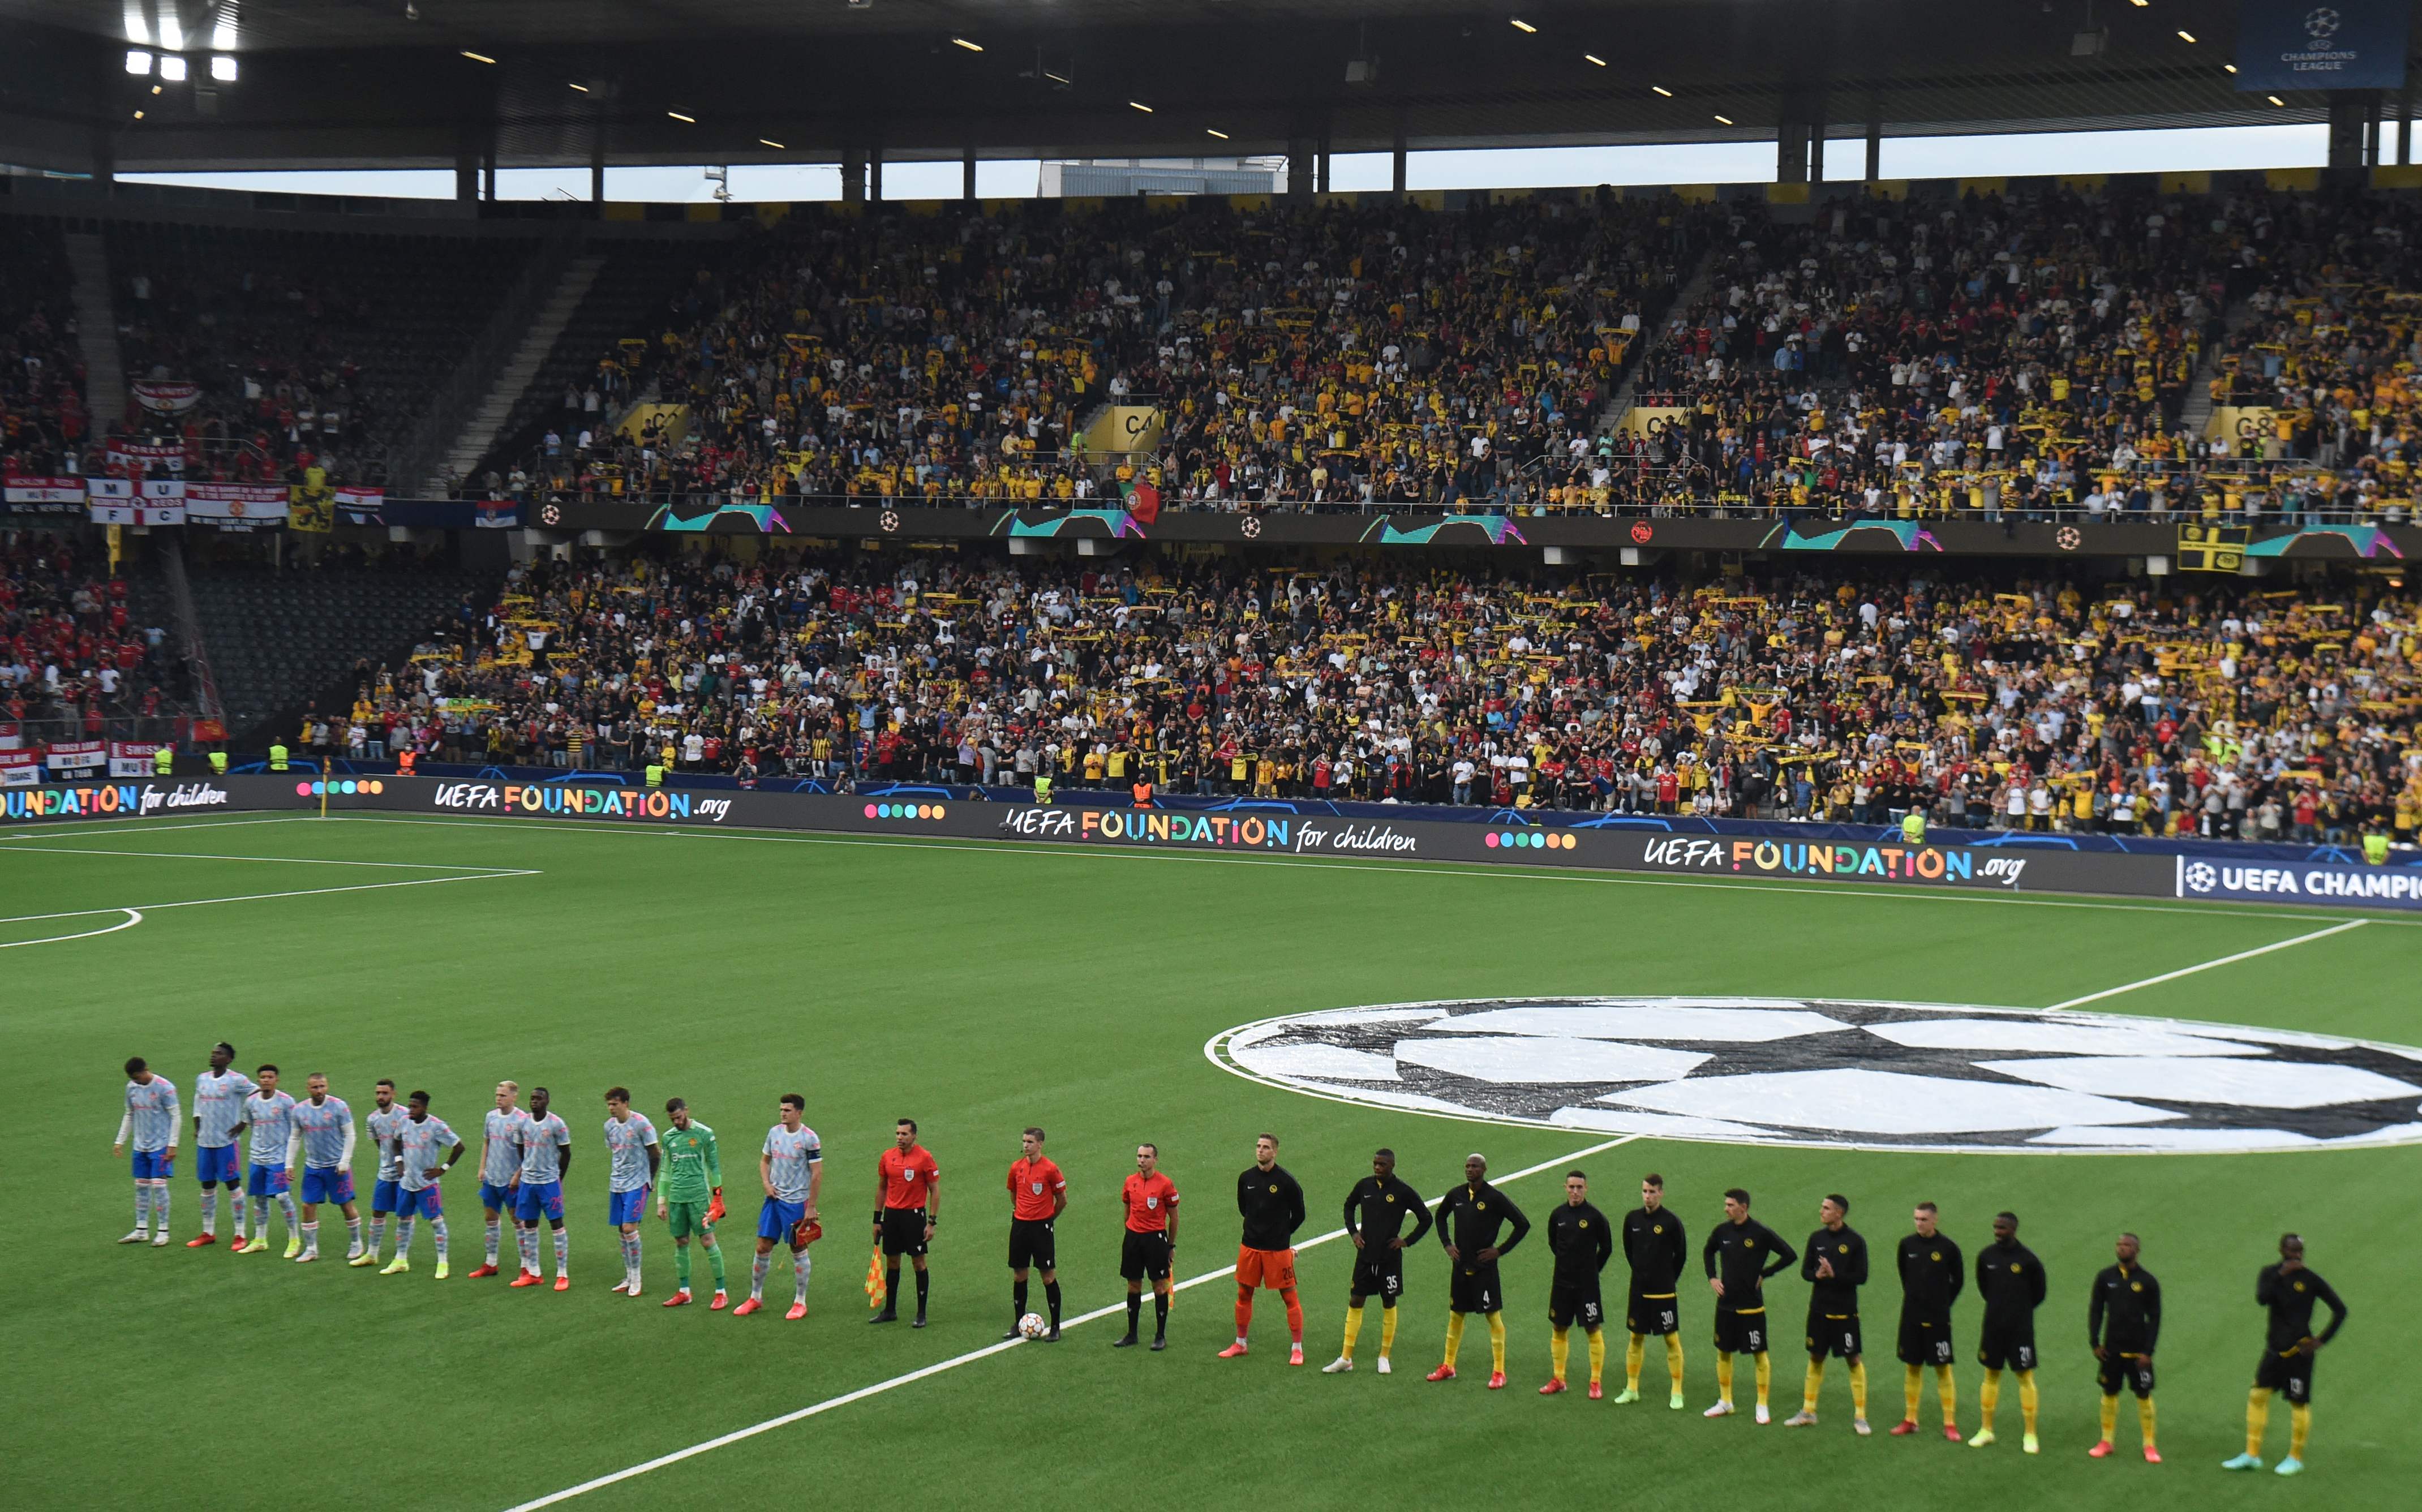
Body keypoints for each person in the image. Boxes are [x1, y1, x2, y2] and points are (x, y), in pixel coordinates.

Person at [2224, 1234, 2348, 1476]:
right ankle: (2252, 1454)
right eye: (2292, 1250)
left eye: (2300, 1250)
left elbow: (2340, 1310)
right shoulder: (2270, 1274)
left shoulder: (2311, 1280)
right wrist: (2282, 1274)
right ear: (2282, 1250)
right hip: (2273, 1351)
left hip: (2299, 1353)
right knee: (2258, 1396)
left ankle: (2295, 1458)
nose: (2297, 1255)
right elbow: (2262, 1298)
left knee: (2298, 1403)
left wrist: (2320, 1341)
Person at [1324, 1146, 1431, 1374]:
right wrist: (1353, 1232)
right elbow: (1349, 1205)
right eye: (1375, 1164)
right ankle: (1346, 1358)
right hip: (1365, 1256)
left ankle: (1384, 1356)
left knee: (1389, 1302)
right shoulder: (1365, 1186)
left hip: (1389, 1258)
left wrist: (1406, 1241)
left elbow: (1426, 1218)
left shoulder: (1403, 1191)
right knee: (1356, 1300)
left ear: (1392, 1166)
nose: (1377, 1168)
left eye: (1381, 1164)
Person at [1427, 1152, 1530, 1389]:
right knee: (1456, 1315)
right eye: (1467, 1166)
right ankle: (1448, 1366)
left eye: (1474, 1166)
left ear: (1484, 1170)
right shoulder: (1456, 1195)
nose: (1470, 1170)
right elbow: (1440, 1216)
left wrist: (1500, 1250)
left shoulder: (1494, 1198)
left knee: (1493, 1316)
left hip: (1485, 1268)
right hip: (1460, 1266)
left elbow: (1522, 1224)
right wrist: (1447, 1244)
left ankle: (1499, 1372)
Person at [1702, 1187, 1796, 1423]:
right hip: (1726, 1305)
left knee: (1759, 1354)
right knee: (1723, 1351)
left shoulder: (1760, 1233)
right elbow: (1708, 1251)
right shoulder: (1722, 1231)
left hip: (1752, 1306)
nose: (1726, 1208)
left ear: (1743, 1208)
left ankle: (1762, 1405)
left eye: (1730, 1205)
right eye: (1726, 1204)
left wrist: (1766, 1273)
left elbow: (1789, 1255)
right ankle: (1725, 1402)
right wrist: (1713, 1277)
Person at [1787, 1193, 1871, 1433]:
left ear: (1839, 1213)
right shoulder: (1817, 1239)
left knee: (1853, 1359)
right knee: (1815, 1357)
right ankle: (1808, 1412)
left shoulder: (1855, 1241)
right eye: (1822, 1207)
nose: (1821, 1211)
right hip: (1819, 1311)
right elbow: (1805, 1271)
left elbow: (1862, 1277)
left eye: (1826, 1208)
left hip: (1845, 1313)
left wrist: (1836, 1276)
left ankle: (1861, 1417)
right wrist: (1818, 1275)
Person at [1223, 1132, 1308, 1363]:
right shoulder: (1246, 1178)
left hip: (1277, 1251)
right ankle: (1241, 1343)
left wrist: (1282, 1235)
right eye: (1259, 1146)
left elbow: (1299, 1215)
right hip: (1249, 1246)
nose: (1261, 1151)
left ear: (1275, 1152)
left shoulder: (1287, 1182)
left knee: (1289, 1297)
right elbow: (1244, 1208)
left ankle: (1297, 1348)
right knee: (1244, 1294)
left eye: (1266, 1147)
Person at [737, 1093, 822, 1320]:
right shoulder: (774, 1133)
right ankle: (755, 1297)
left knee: (798, 1250)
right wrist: (766, 1184)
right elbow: (765, 1161)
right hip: (774, 1201)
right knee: (762, 1246)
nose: (783, 1113)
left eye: (787, 1110)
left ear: (799, 1113)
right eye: (781, 1110)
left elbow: (817, 1173)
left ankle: (800, 1302)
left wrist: (811, 1207)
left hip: (796, 1203)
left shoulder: (809, 1139)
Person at [1971, 1210, 2046, 1453]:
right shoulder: (1986, 1257)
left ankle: (2030, 1434)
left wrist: (2018, 1311)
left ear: (2013, 1230)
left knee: (2024, 1377)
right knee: (1991, 1375)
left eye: (2002, 1228)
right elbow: (1984, 1288)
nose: (1997, 1232)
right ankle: (1986, 1430)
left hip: (2020, 1329)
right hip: (1993, 1326)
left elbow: (2039, 1293)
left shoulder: (2028, 1260)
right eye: (1996, 1227)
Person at [2087, 1232, 2163, 1462]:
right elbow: (2096, 1310)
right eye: (2119, 1245)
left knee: (2143, 1395)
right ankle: (2106, 1441)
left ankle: (2150, 1446)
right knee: (2109, 1393)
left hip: (2138, 1352)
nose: (2122, 1248)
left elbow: (2155, 1318)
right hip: (2112, 1349)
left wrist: (2148, 1351)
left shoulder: (2148, 1281)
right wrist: (2095, 1342)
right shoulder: (2105, 1277)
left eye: (2127, 1245)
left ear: (2137, 1250)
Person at [1892, 1200, 1964, 1440]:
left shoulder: (1948, 1248)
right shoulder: (1907, 1245)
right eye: (1916, 1219)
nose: (1919, 1223)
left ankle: (1950, 1424)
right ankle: (1910, 1419)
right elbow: (1905, 1276)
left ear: (1935, 1220)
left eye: (1923, 1219)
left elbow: (1959, 1281)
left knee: (1942, 1368)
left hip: (1938, 1319)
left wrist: (1942, 1304)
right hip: (1912, 1317)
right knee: (1912, 1366)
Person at [1540, 1171, 1615, 1397]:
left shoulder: (1595, 1217)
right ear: (1565, 1187)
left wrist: (1593, 1270)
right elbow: (1554, 1242)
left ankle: (1595, 1382)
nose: (1575, 1192)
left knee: (1592, 1328)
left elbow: (1607, 1247)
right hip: (1562, 1283)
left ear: (1586, 1189)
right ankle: (1559, 1378)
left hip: (1587, 1286)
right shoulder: (1558, 1215)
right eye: (1571, 1187)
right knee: (1559, 1327)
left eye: (1579, 1187)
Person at [1618, 1172, 1688, 1407]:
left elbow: (1681, 1255)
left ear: (1661, 1193)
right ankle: (1632, 1388)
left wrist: (1667, 1278)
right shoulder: (1632, 1220)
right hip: (1638, 1290)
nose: (1647, 1196)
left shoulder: (1671, 1222)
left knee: (1670, 1338)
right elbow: (1629, 1250)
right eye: (1645, 1191)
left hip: (1664, 1291)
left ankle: (1677, 1391)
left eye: (1652, 1192)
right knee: (1636, 1337)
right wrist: (1641, 1273)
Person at [655, 1097, 728, 1309]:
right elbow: (666, 1171)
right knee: (681, 1242)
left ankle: (721, 1292)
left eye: (679, 1117)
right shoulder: (669, 1138)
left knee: (707, 1240)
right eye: (672, 1119)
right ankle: (684, 1291)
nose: (677, 1122)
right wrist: (662, 1201)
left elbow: (714, 1167)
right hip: (677, 1198)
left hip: (698, 1198)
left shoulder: (704, 1134)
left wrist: (718, 1197)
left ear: (686, 1111)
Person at [381, 1090, 462, 1277]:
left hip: (427, 1184)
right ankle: (401, 1260)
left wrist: (443, 1169)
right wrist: (399, 1161)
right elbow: (396, 1141)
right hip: (407, 1183)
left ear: (425, 1107)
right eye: (410, 1106)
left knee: (436, 1222)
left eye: (415, 1107)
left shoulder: (436, 1126)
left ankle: (443, 1263)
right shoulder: (404, 1122)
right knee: (403, 1220)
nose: (411, 1110)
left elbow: (459, 1146)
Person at [871, 1118, 939, 1326]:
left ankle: (921, 1313)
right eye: (898, 1134)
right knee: (892, 1261)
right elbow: (882, 1187)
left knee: (918, 1262)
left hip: (914, 1217)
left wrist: (932, 1222)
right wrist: (877, 1219)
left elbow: (935, 1190)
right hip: (892, 1216)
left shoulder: (925, 1158)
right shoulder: (887, 1157)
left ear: (914, 1136)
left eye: (904, 1134)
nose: (900, 1138)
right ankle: (890, 1310)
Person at [186, 1042, 254, 1248]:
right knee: (207, 1186)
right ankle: (208, 1232)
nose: (214, 1056)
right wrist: (197, 1125)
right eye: (213, 1052)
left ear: (229, 1059)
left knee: (232, 1185)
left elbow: (258, 1094)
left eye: (219, 1054)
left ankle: (240, 1235)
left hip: (227, 1142)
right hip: (205, 1142)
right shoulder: (202, 1078)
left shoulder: (236, 1080)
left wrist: (244, 1122)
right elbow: (198, 1102)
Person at [287, 1073, 360, 1264]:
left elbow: (350, 1134)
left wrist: (345, 1161)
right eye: (315, 1087)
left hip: (337, 1167)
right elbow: (295, 1137)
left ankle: (356, 1243)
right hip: (313, 1167)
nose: (319, 1091)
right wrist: (289, 1163)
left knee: (346, 1205)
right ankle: (311, 1249)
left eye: (322, 1086)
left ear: (327, 1086)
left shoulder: (339, 1106)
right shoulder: (299, 1110)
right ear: (308, 1088)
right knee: (307, 1205)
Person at [1004, 1126, 1067, 1341]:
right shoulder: (1016, 1168)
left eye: (1030, 1142)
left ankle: (1056, 1326)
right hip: (1020, 1226)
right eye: (1024, 1141)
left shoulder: (1050, 1169)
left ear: (1040, 1144)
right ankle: (1018, 1322)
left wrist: (1048, 1218)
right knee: (1019, 1274)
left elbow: (1062, 1200)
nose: (1026, 1146)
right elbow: (1014, 1194)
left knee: (1047, 1276)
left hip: (1041, 1228)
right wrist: (1023, 1212)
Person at [508, 1088, 574, 1291]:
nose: (535, 1102)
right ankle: (534, 1273)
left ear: (547, 1101)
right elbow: (521, 1148)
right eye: (533, 1098)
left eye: (539, 1098)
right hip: (528, 1183)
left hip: (549, 1183)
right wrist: (527, 1168)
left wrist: (558, 1177)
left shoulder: (557, 1124)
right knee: (529, 1225)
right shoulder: (523, 1123)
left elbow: (566, 1153)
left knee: (556, 1224)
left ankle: (562, 1274)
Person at [1114, 1141, 1179, 1350]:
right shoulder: (1130, 1182)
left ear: (1155, 1160)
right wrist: (1129, 1232)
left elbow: (1174, 1217)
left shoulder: (1165, 1184)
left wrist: (1171, 1245)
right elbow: (1127, 1208)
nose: (1142, 1160)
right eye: (1139, 1156)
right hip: (1133, 1238)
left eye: (1146, 1157)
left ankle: (1160, 1336)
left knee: (1159, 1286)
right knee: (1133, 1285)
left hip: (1155, 1240)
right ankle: (1132, 1334)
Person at [113, 1056, 180, 1246]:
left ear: (146, 1070)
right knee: (141, 1186)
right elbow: (130, 1114)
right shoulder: (131, 1088)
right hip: (140, 1146)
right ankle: (141, 1229)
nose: (136, 1081)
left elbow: (176, 1116)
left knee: (159, 1186)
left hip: (160, 1145)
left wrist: (173, 1144)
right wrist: (120, 1141)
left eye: (137, 1077)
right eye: (133, 1078)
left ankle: (163, 1231)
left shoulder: (165, 1087)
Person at [467, 1080, 531, 1280]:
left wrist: (518, 1176)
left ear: (514, 1097)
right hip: (491, 1178)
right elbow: (487, 1142)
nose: (498, 1099)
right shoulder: (491, 1117)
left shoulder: (522, 1120)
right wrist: (482, 1167)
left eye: (503, 1096)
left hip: (511, 1181)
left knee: (518, 1220)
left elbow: (529, 1152)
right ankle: (491, 1263)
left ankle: (526, 1266)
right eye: (497, 1095)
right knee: (490, 1219)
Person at [603, 1088, 660, 1298]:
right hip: (617, 1183)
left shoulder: (641, 1124)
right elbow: (616, 1153)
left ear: (626, 1103)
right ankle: (628, 1276)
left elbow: (655, 1153)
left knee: (629, 1228)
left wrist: (649, 1180)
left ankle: (637, 1278)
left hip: (637, 1182)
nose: (611, 1108)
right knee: (621, 1229)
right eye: (609, 1104)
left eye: (615, 1104)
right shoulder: (609, 1127)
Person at [237, 1066, 299, 1257]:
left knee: (282, 1197)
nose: (266, 1080)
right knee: (259, 1198)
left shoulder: (286, 1102)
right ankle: (260, 1239)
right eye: (263, 1077)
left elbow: (295, 1132)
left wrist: (290, 1161)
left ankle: (294, 1240)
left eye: (270, 1077)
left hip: (278, 1159)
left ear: (276, 1080)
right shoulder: (251, 1102)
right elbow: (251, 1126)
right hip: (257, 1158)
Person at [353, 1080, 407, 1268]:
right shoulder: (372, 1119)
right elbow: (379, 1143)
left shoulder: (405, 1115)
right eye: (378, 1093)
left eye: (384, 1093)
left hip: (405, 1175)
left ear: (394, 1094)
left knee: (404, 1214)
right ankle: (372, 1254)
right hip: (385, 1173)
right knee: (378, 1212)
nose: (380, 1097)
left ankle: (401, 1257)